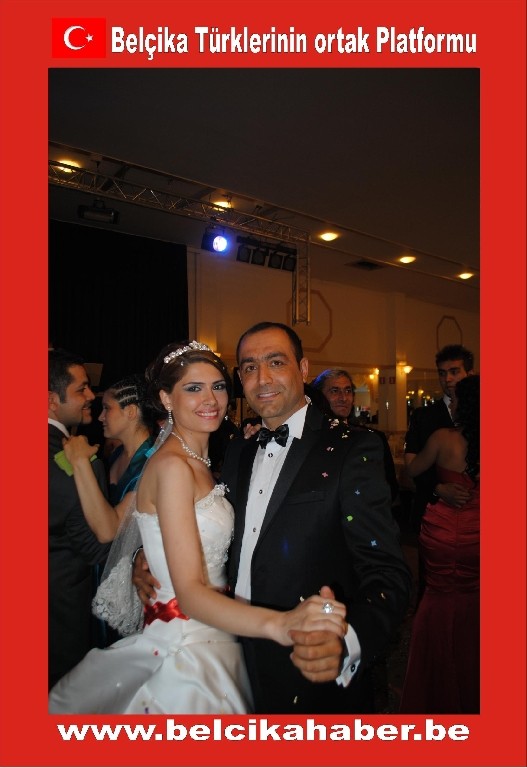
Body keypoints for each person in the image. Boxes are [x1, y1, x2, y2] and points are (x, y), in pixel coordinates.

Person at [49, 340, 347, 714]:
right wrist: (281, 624)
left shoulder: (211, 458)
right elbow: (188, 593)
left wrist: (147, 552)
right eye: (193, 388)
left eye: (217, 386)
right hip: (188, 645)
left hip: (218, 635)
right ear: (166, 398)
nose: (210, 399)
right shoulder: (173, 466)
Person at [136, 324, 411, 713]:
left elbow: (387, 572)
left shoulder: (353, 449)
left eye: (276, 362)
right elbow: (204, 527)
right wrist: (149, 555)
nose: (262, 378)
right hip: (227, 648)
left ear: (303, 368)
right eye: (250, 367)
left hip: (307, 661)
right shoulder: (238, 450)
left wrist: (348, 639)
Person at [400, 375, 480, 713]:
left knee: (438, 596)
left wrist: (437, 485)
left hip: (444, 531)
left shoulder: (443, 438)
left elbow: (410, 474)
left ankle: (434, 683)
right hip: (481, 533)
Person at [48, 349, 111, 689]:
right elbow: (94, 548)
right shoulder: (77, 461)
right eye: (81, 389)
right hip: (60, 613)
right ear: (50, 400)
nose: (91, 396)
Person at [404, 344, 475, 530]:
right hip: (432, 514)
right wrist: (438, 488)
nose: (447, 379)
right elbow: (411, 465)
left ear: (470, 373)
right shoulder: (423, 416)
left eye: (454, 372)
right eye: (442, 373)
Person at [310, 368, 399, 503]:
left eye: (348, 391)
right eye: (335, 391)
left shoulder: (372, 438)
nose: (343, 398)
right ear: (319, 397)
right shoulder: (309, 439)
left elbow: (389, 489)